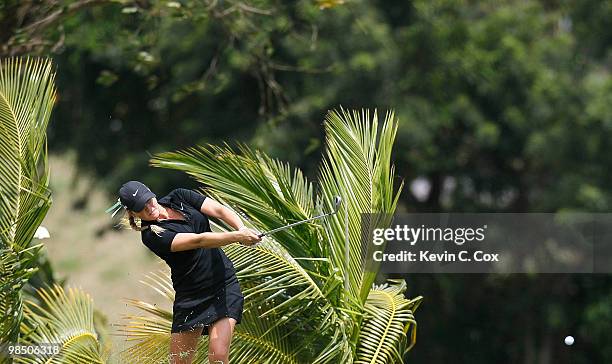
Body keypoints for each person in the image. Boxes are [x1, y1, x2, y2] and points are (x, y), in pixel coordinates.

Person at [110, 181, 261, 364]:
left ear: (152, 194)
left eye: (148, 201)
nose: (149, 208)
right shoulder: (151, 235)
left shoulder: (179, 196)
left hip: (222, 283)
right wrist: (236, 237)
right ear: (133, 213)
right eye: (141, 208)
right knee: (178, 361)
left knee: (218, 357)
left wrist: (241, 228)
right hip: (191, 298)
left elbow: (219, 210)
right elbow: (198, 241)